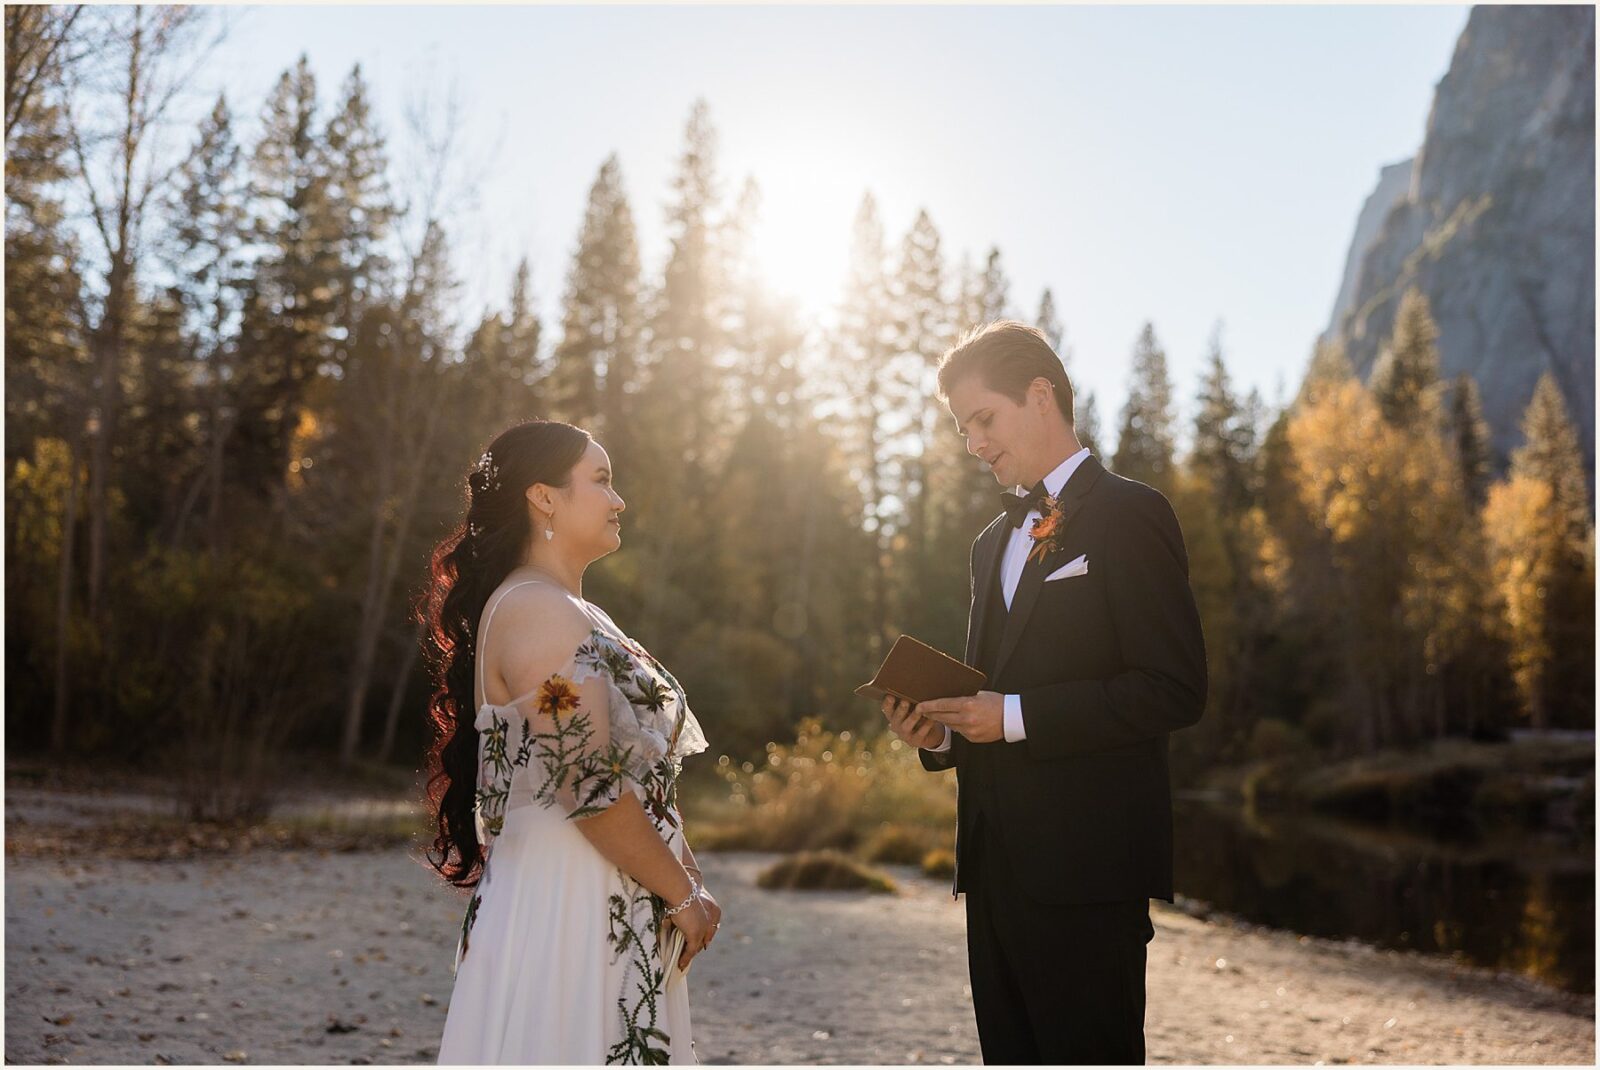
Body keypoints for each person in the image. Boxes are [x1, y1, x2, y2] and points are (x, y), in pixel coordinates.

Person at [882, 321, 1207, 1064]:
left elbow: (1174, 689)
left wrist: (1017, 718)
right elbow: (986, 698)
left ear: (1040, 397)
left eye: (983, 420)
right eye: (964, 428)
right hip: (994, 869)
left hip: (1089, 871)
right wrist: (940, 734)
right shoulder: (988, 544)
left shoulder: (1132, 513)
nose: (974, 443)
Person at [422, 419, 716, 1064]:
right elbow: (585, 783)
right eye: (603, 481)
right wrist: (681, 892)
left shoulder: (572, 608)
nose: (619, 501)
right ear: (544, 497)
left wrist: (685, 871)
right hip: (569, 899)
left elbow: (630, 772)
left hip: (604, 883)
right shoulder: (536, 609)